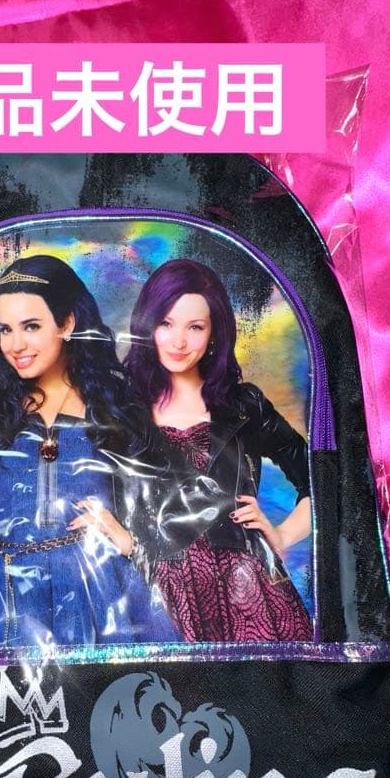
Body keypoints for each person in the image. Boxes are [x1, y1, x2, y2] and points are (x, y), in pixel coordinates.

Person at [0, 254, 201, 650]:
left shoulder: (115, 405)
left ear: (67, 324)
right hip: (16, 608)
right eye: (6, 329)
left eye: (31, 326)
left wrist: (132, 542)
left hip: (110, 606)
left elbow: (186, 501)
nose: (15, 345)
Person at [125, 258, 313, 642]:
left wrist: (282, 535)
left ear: (214, 333)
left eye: (195, 327)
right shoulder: (122, 407)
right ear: (148, 326)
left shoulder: (244, 405)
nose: (179, 341)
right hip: (156, 590)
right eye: (166, 323)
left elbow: (322, 478)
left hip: (248, 590)